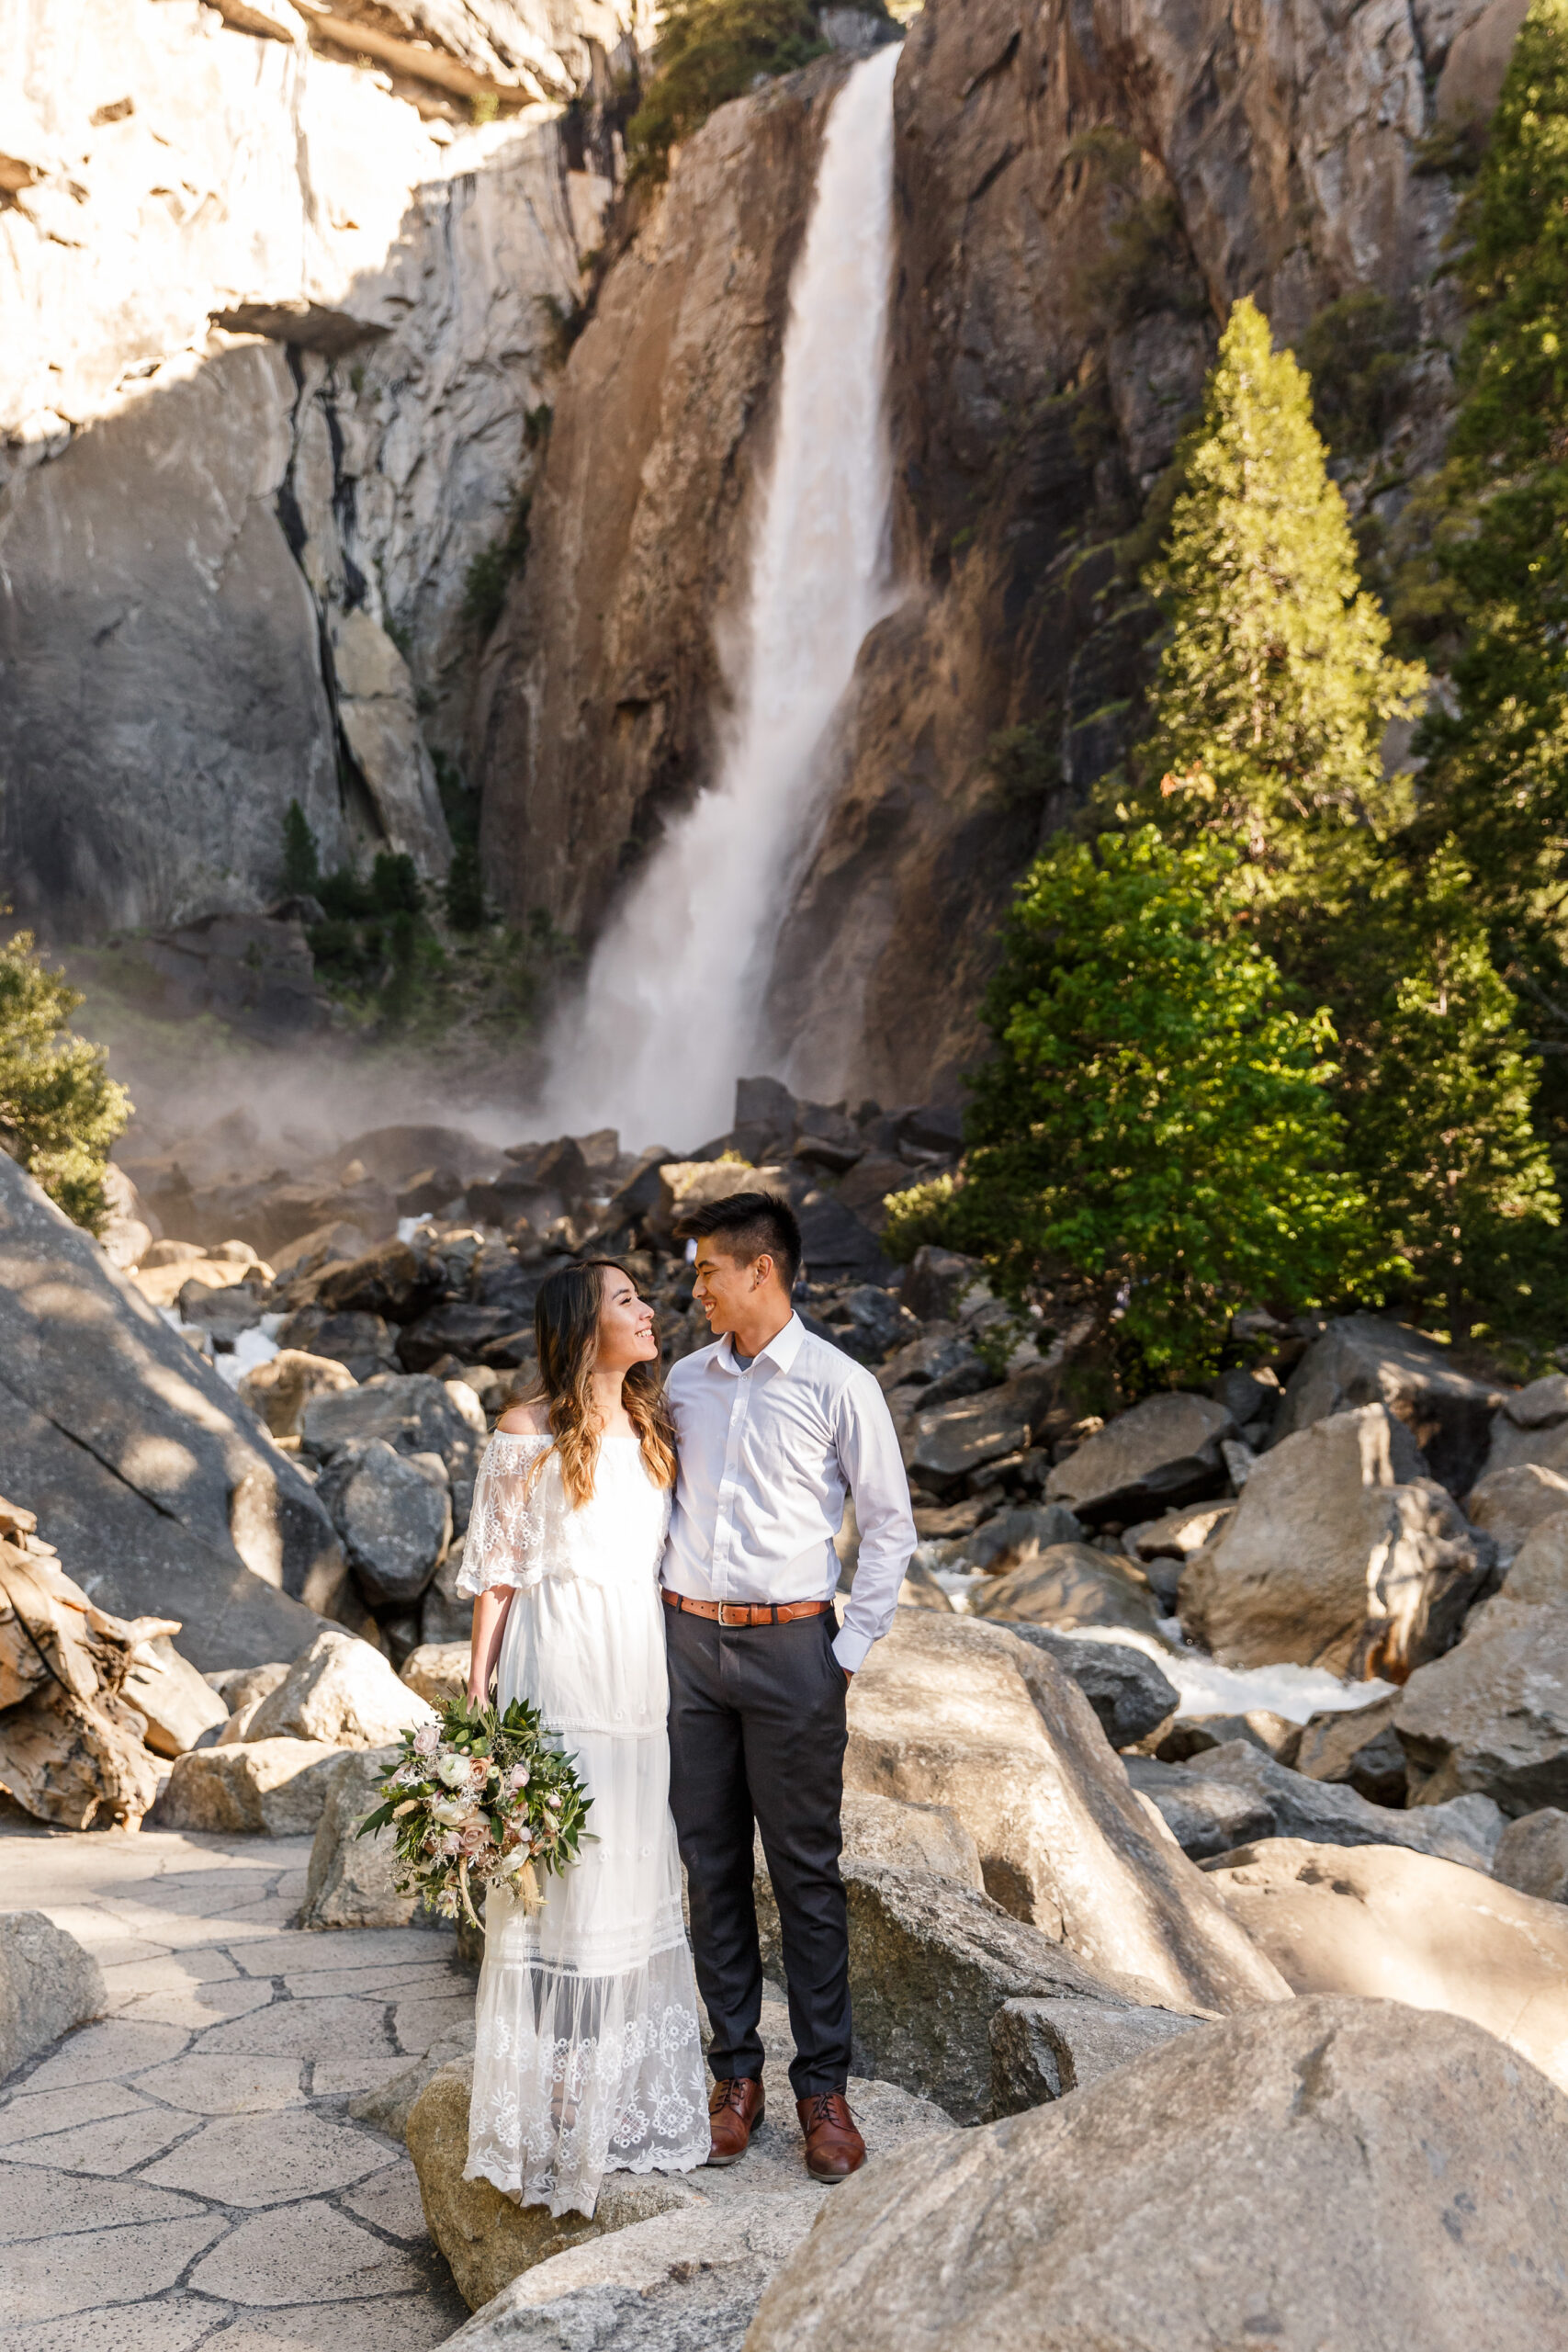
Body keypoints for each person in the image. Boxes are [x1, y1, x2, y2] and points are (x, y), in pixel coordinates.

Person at [660, 1190, 917, 2184]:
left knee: (807, 1877)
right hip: (689, 1649)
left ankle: (824, 2092)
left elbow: (888, 1524)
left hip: (794, 1654)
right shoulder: (684, 1380)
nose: (696, 1290)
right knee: (711, 1866)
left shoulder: (840, 1383)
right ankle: (736, 2076)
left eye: (705, 1273)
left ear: (757, 1271)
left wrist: (845, 1649)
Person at [457, 1259, 709, 2219]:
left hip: (637, 1675)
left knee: (631, 1875)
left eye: (644, 1298)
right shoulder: (524, 1431)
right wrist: (479, 1693)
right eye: (627, 1301)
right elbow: (499, 1573)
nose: (649, 1312)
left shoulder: (652, 1426)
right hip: (558, 1669)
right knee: (563, 1877)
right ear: (583, 1324)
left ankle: (609, 2099)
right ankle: (557, 2103)